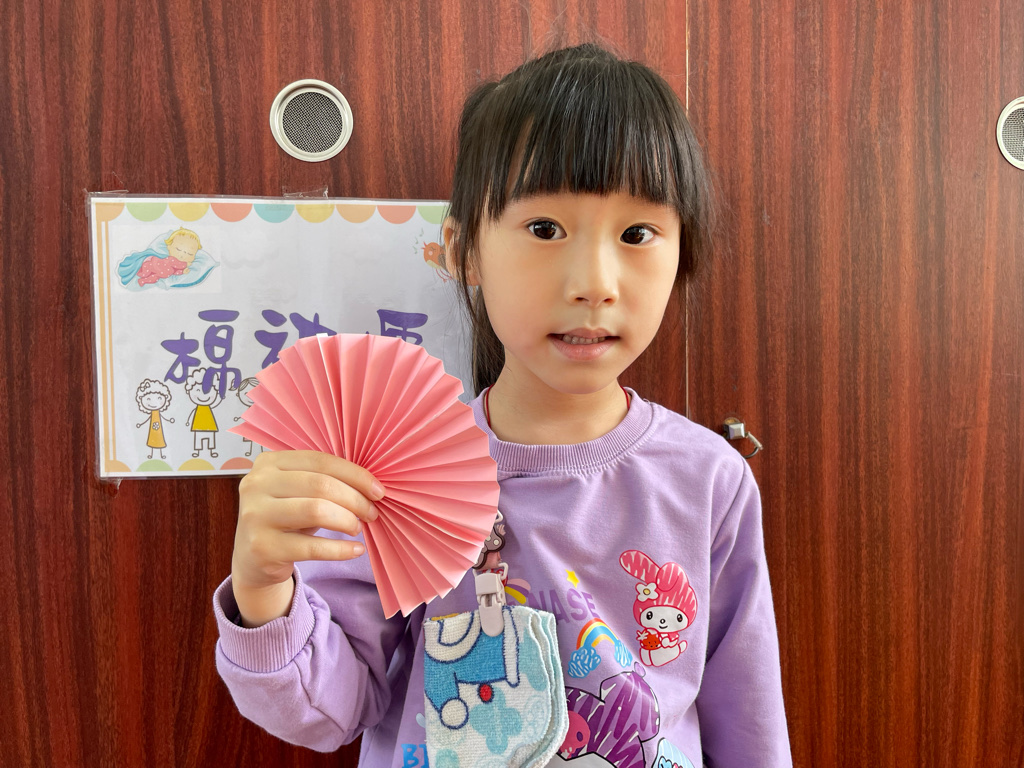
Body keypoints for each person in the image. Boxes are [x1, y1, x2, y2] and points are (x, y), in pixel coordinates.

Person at [213, 43, 792, 767]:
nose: (593, 282)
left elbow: (749, 722)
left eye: (637, 234)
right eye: (545, 229)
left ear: (684, 253)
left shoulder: (708, 478)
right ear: (464, 251)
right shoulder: (394, 471)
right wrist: (263, 586)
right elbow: (331, 711)